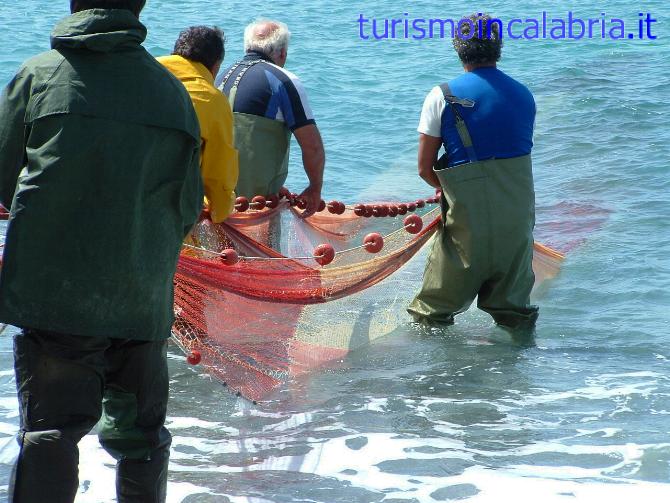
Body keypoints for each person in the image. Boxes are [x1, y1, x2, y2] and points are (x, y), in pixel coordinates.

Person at [0, 1, 203, 501]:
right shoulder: (171, 92)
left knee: (51, 433)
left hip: (56, 297)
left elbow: (4, 182)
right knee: (142, 440)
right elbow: (186, 206)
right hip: (142, 298)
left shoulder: (41, 75)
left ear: (74, 4)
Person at [408, 13, 539, 331]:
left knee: (431, 316)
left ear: (458, 48)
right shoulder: (525, 95)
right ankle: (522, 378)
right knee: (515, 317)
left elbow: (425, 168)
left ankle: (442, 379)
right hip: (516, 223)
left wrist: (453, 192)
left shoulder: (442, 95)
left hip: (468, 229)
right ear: (499, 47)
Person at [216, 19, 325, 218]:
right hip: (256, 205)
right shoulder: (283, 80)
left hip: (214, 197)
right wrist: (315, 187)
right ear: (283, 52)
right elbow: (312, 146)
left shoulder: (220, 77)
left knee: (218, 250)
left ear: (247, 46)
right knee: (258, 249)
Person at [158, 26, 239, 223]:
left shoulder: (142, 73)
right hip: (164, 212)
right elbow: (218, 176)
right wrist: (220, 210)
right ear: (215, 65)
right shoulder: (211, 100)